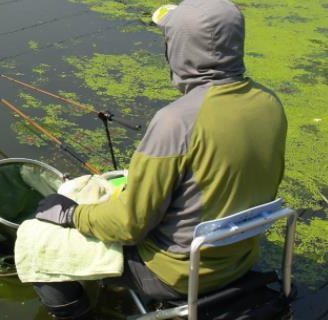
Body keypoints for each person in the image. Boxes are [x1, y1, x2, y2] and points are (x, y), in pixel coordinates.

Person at [32, 0, 288, 318]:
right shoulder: (269, 103)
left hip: (176, 273)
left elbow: (129, 225)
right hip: (241, 257)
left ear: (180, 49)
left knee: (35, 243)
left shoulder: (176, 121)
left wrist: (72, 215)